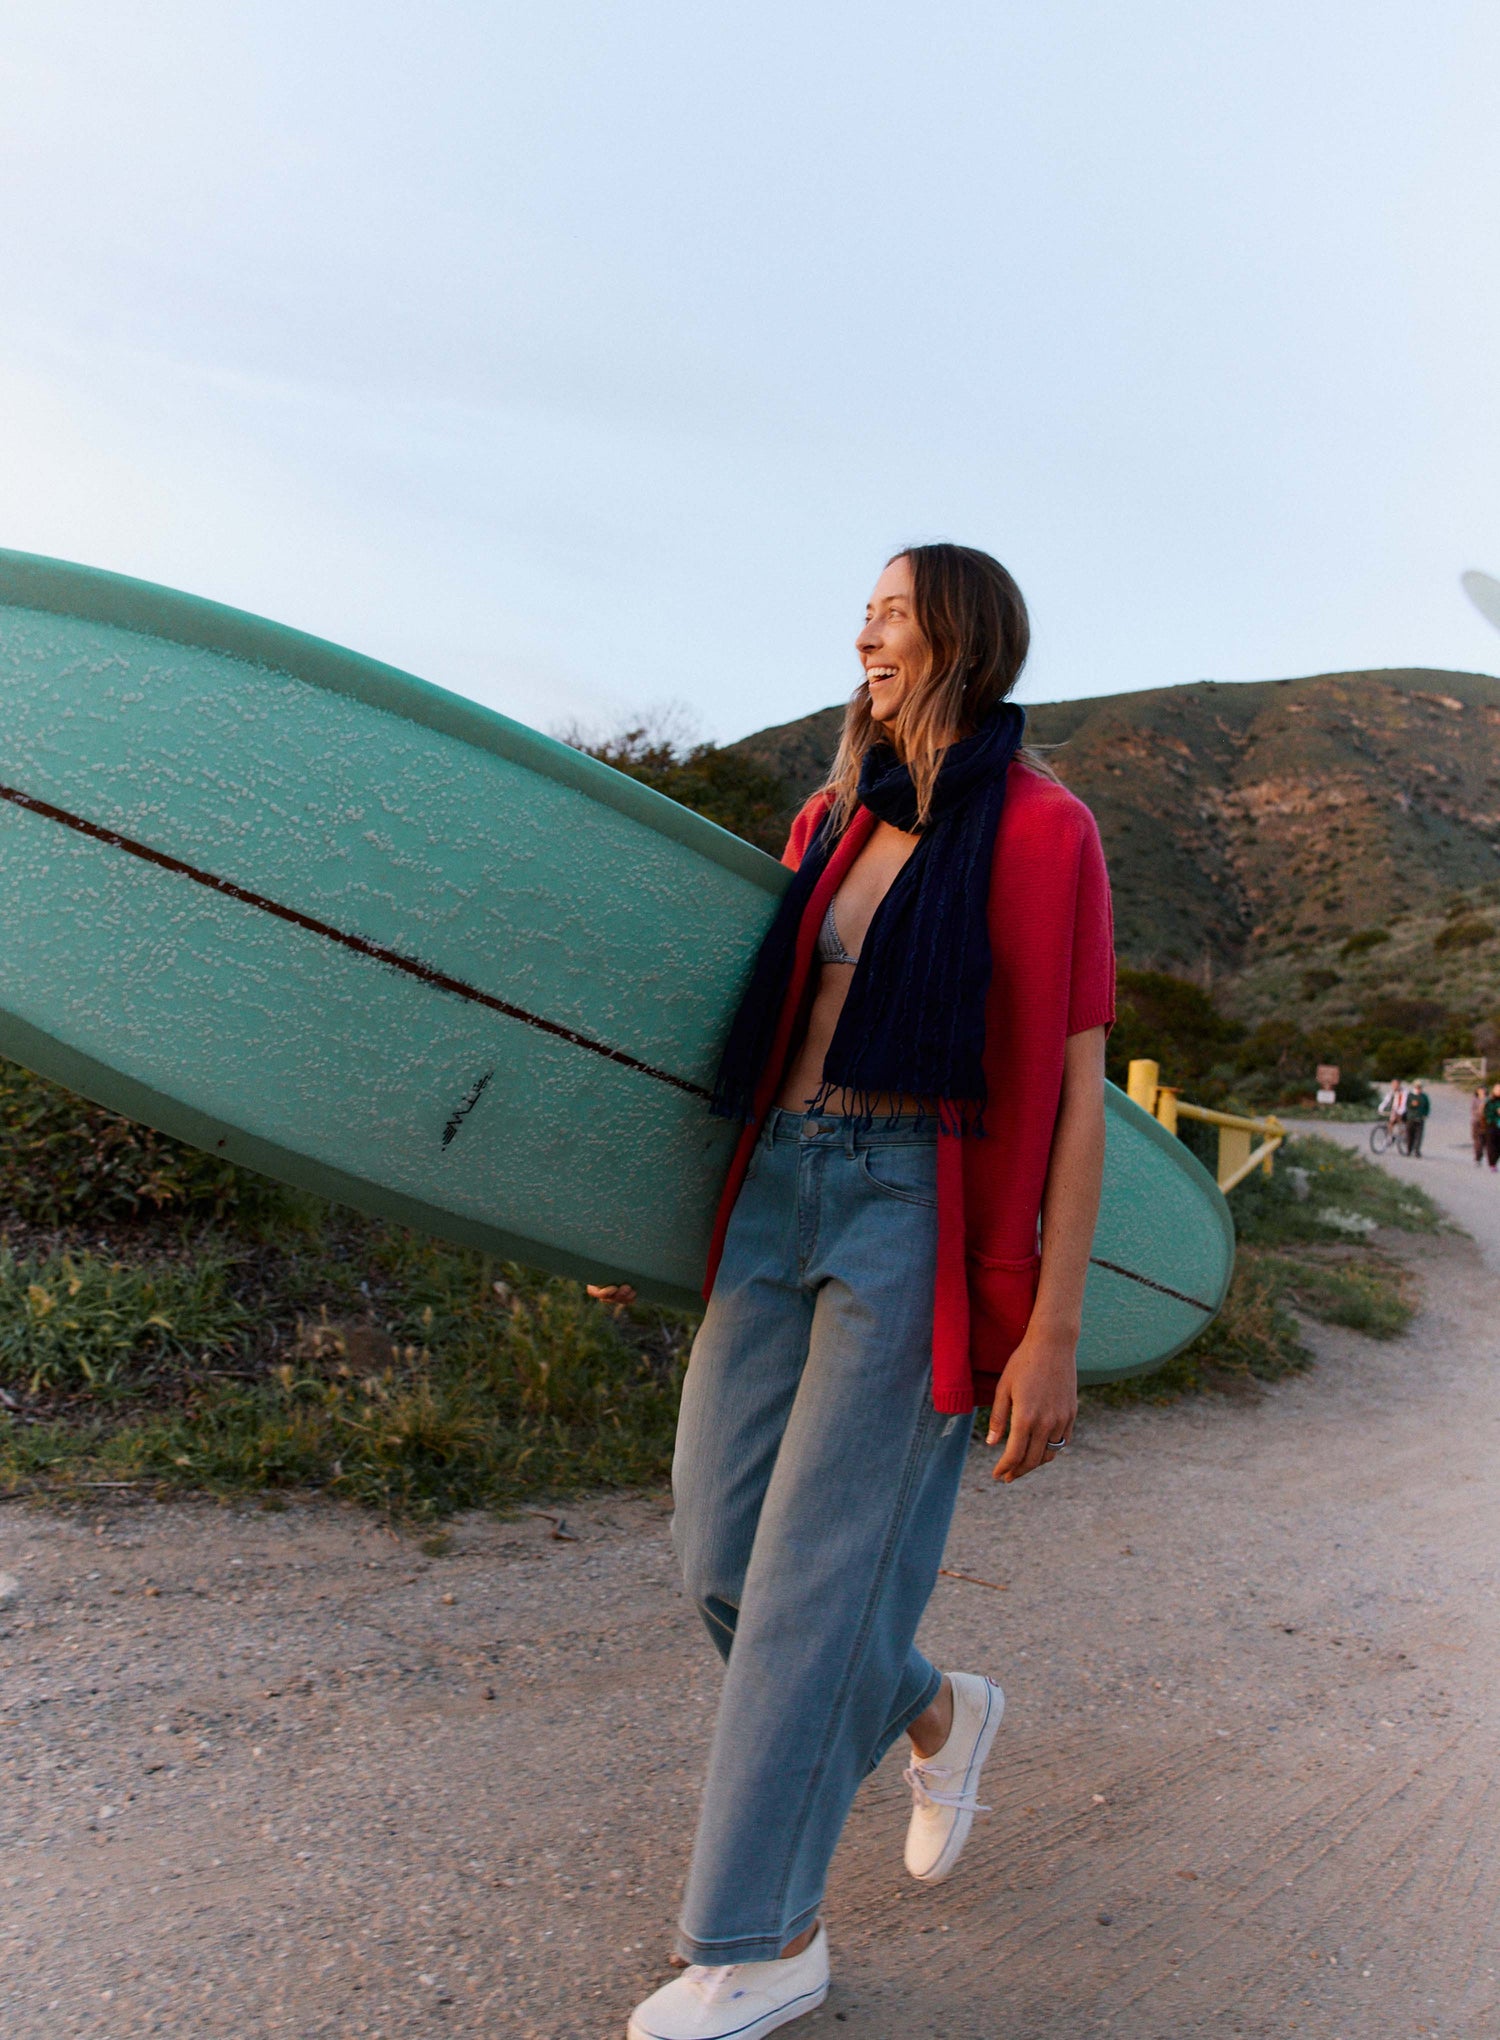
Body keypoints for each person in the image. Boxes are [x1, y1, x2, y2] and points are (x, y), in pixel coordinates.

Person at [626, 545, 1114, 2040]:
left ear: (960, 636)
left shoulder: (1047, 832)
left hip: (918, 1200)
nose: (866, 635)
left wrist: (1052, 1328)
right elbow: (756, 1025)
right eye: (867, 613)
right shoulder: (832, 818)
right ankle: (935, 1707)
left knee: (815, 1584)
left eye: (893, 613)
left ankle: (763, 1943)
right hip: (779, 1184)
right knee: (719, 1551)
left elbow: (1081, 1095)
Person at [1403, 1079, 1430, 1157]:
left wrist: (1425, 1114)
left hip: (1420, 1118)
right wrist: (1412, 1105)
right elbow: (1407, 1105)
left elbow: (1427, 1107)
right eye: (1417, 1087)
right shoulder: (1410, 1096)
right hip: (1411, 1118)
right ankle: (1409, 1150)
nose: (1418, 1089)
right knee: (1410, 1135)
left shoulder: (1424, 1097)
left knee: (1419, 1136)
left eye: (1420, 1087)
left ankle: (1417, 1151)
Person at [1486, 1084, 1500, 1173]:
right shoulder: (1490, 1101)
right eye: (1497, 1089)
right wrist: (1496, 1111)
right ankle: (1492, 1163)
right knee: (1491, 1145)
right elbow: (1487, 1113)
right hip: (1492, 1125)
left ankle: (1494, 1161)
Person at [1472, 1086, 1487, 1166]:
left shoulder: (1488, 1099)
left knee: (1484, 1140)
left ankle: (1480, 1155)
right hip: (1477, 1122)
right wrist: (1480, 1110)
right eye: (1480, 1090)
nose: (1481, 1092)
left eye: (1483, 1090)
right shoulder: (1475, 1100)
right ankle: (1478, 1157)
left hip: (1486, 1122)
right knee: (1477, 1140)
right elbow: (1473, 1111)